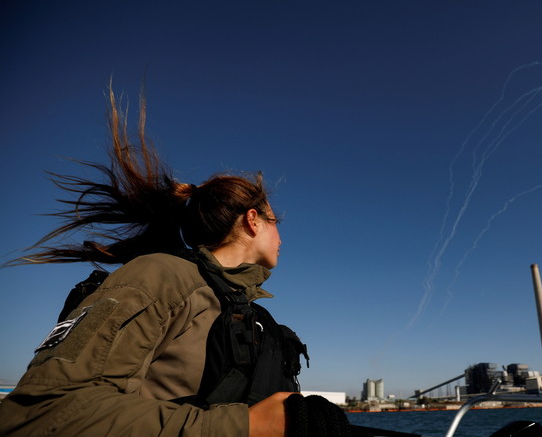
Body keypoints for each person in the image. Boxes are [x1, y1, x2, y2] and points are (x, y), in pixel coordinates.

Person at [0, 87, 355, 437]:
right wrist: (247, 427)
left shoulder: (247, 311)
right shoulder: (163, 276)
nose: (282, 238)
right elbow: (44, 414)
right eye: (277, 223)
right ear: (253, 220)